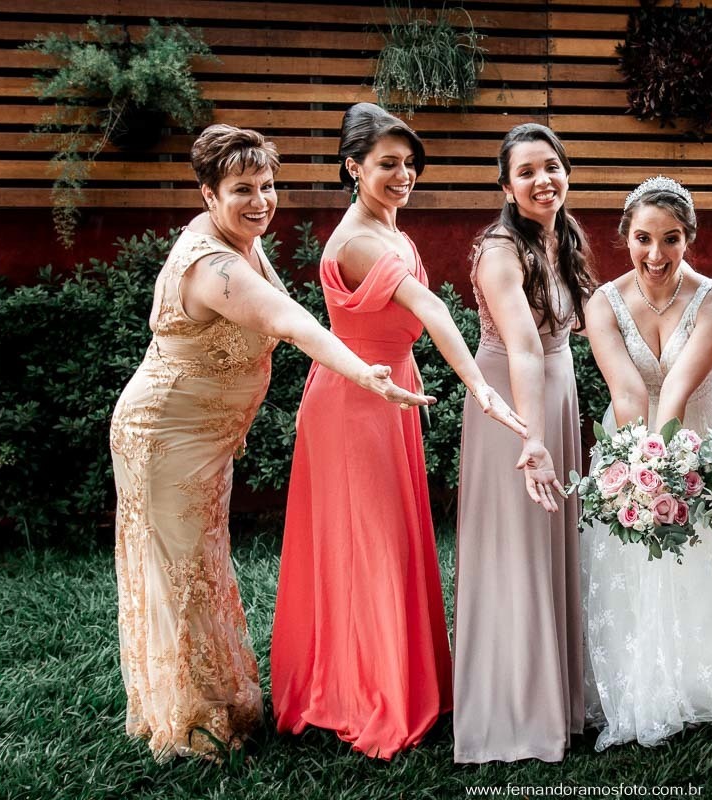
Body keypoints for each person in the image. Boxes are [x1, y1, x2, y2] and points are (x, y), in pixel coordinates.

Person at [110, 124, 431, 761]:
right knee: (180, 576)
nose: (260, 201)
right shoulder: (214, 266)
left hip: (207, 439)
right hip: (165, 438)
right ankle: (191, 723)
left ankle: (223, 699)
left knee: (205, 566)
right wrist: (362, 372)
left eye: (266, 185)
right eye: (241, 190)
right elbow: (289, 320)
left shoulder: (242, 241)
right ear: (208, 194)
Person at [270, 104, 525, 759]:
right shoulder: (358, 240)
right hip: (355, 403)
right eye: (388, 164)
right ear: (353, 167)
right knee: (369, 544)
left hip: (390, 393)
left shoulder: (388, 228)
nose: (404, 175)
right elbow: (430, 306)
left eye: (410, 163)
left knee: (390, 538)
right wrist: (480, 385)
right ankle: (370, 694)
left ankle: (401, 680)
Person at [581, 176, 712, 751]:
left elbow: (675, 390)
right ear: (625, 236)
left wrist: (669, 468)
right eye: (643, 239)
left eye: (671, 239)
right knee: (638, 564)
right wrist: (637, 474)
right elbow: (628, 392)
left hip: (702, 431)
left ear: (688, 238)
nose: (656, 254)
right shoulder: (602, 304)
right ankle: (652, 678)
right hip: (633, 437)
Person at [452, 123, 596, 763]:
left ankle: (555, 701)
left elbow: (580, 326)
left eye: (552, 167)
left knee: (549, 544)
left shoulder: (561, 237)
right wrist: (533, 438)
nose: (544, 181)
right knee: (516, 548)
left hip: (556, 396)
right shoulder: (501, 250)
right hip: (512, 409)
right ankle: (512, 713)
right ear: (506, 187)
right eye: (528, 172)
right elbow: (525, 348)